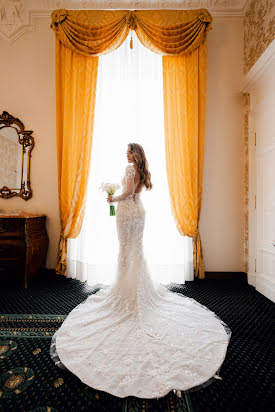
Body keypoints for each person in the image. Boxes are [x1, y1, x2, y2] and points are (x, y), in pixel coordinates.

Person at [50, 143, 231, 399]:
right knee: (133, 250)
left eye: (129, 151)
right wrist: (119, 195)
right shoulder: (143, 170)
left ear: (135, 154)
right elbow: (136, 191)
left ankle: (128, 292)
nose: (125, 155)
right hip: (138, 213)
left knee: (127, 250)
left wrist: (113, 198)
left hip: (127, 212)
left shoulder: (130, 169)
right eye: (125, 152)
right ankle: (132, 287)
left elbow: (128, 192)